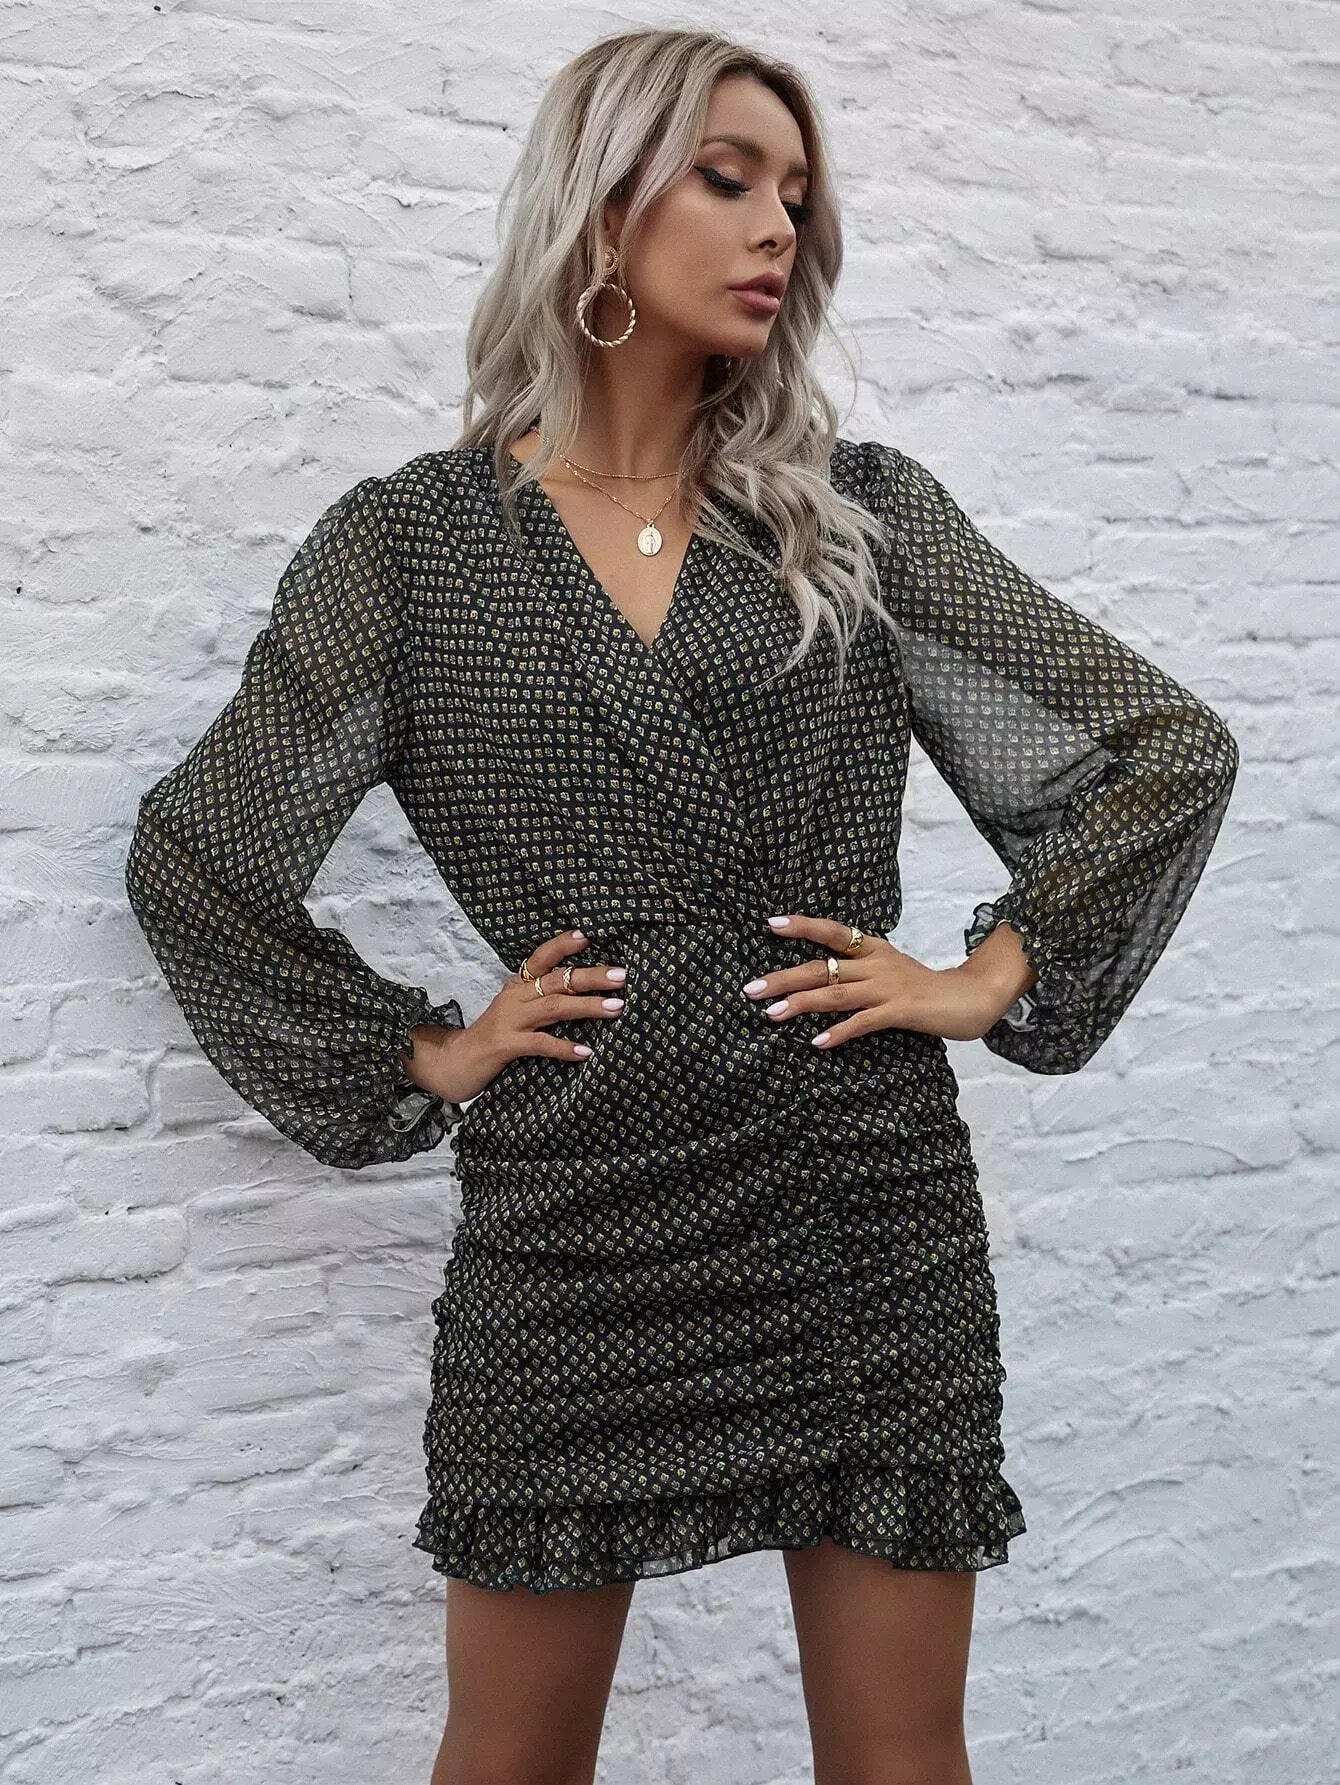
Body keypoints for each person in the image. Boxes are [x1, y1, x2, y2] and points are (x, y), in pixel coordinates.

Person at [122, 27, 1240, 1785]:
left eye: (795, 192)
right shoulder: (410, 550)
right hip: (575, 1217)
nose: (777, 224)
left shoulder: (855, 518)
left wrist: (984, 974)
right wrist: (423, 1050)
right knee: (506, 1762)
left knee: (900, 1762)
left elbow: (1162, 750)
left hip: (858, 1204)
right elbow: (202, 850)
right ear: (601, 204)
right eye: (727, 178)